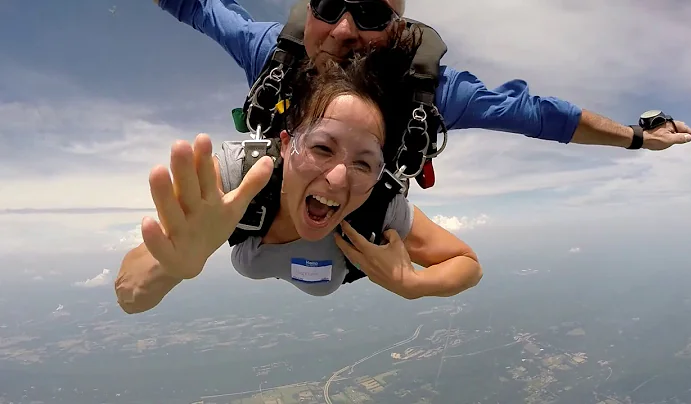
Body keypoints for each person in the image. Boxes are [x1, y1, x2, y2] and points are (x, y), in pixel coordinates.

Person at [115, 28, 483, 314]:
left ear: (379, 173)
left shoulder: (377, 207)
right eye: (322, 147)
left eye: (364, 162)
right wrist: (171, 266)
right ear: (287, 143)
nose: (338, 178)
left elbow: (467, 265)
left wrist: (411, 284)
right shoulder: (240, 179)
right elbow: (129, 295)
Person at [153, 0, 691, 156]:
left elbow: (539, 116)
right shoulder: (273, 53)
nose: (343, 28)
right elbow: (196, 6)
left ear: (395, 30)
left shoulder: (428, 91)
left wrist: (638, 137)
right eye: (329, 5)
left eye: (369, 15)